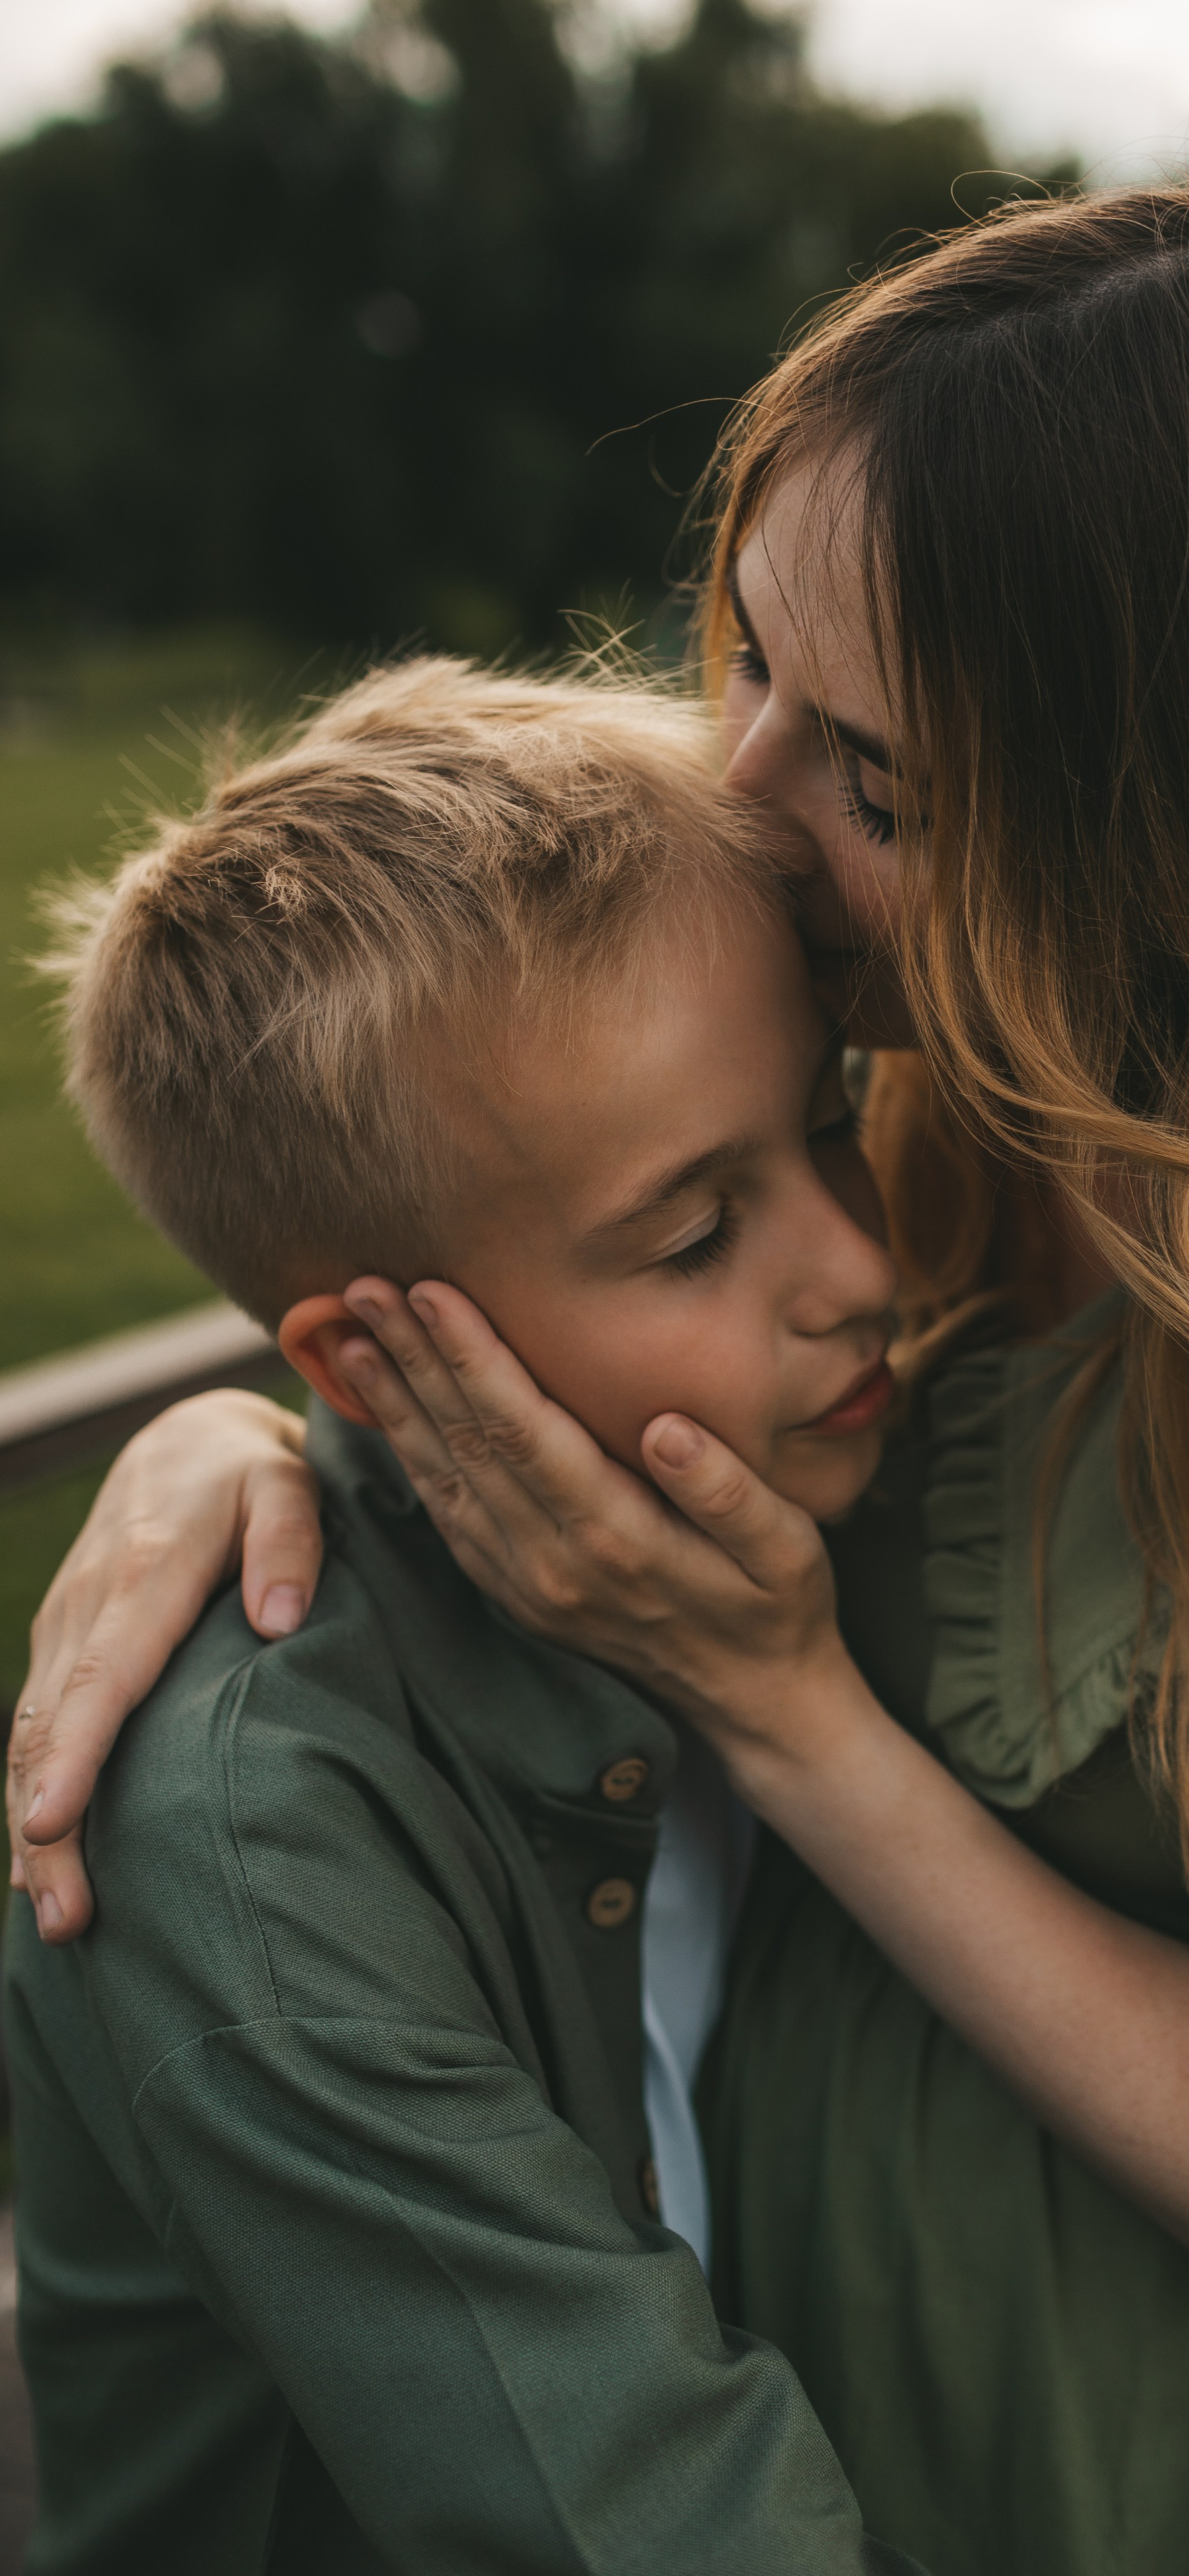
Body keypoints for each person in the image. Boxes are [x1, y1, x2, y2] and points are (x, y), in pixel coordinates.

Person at [15, 184, 1189, 2576]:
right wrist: (245, 1446)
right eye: (748, 671)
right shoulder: (931, 1067)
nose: (741, 806)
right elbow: (518, 1224)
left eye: (880, 781)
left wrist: (790, 1704)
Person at [4, 659, 920, 2573]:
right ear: (374, 1359)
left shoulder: (806, 1481)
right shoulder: (251, 1856)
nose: (858, 1264)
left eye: (832, 1119)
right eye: (691, 1234)